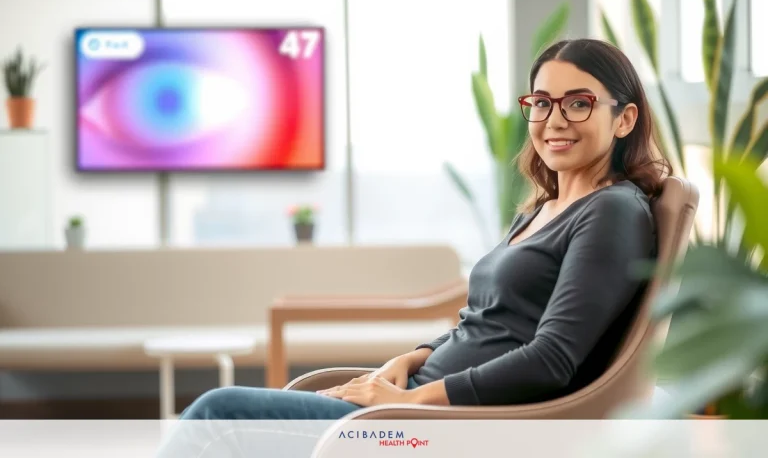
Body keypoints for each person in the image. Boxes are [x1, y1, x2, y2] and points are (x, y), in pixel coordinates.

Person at [157, 37, 670, 454]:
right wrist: (415, 356)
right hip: (416, 406)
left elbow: (551, 359)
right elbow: (489, 320)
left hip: (446, 427)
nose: (554, 120)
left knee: (218, 413)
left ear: (623, 120)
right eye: (541, 102)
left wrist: (410, 401)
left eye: (578, 104)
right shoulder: (546, 206)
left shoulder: (612, 212)